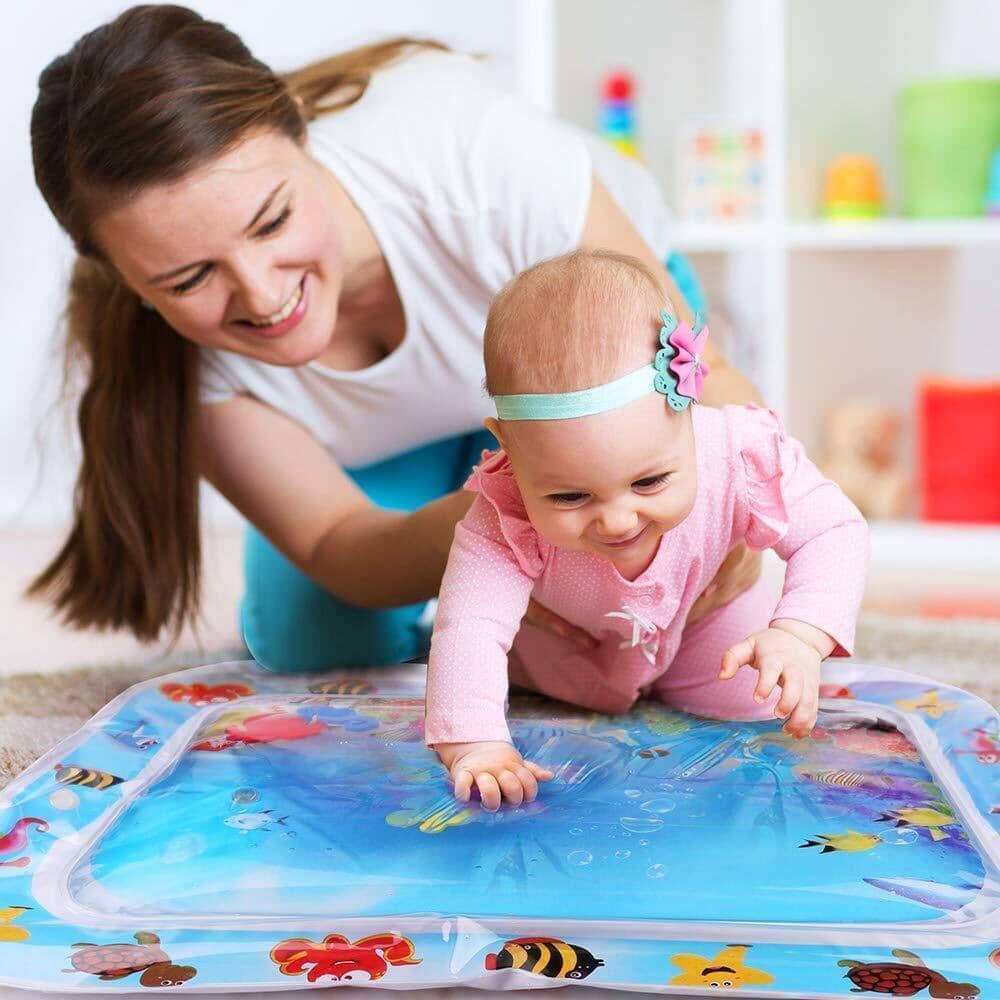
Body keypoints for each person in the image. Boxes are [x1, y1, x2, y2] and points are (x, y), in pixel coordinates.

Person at [29, 4, 762, 673]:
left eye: (272, 221)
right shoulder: (178, 362)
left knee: (684, 633)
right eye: (190, 278)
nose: (261, 293)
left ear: (301, 129)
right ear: (124, 277)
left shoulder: (472, 155)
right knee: (317, 648)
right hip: (405, 449)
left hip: (594, 359)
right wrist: (483, 539)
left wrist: (731, 517)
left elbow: (715, 379)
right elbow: (336, 541)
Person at [424, 250, 868, 812]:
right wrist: (476, 743)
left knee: (767, 713)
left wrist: (800, 633)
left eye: (650, 481)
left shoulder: (738, 452)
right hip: (569, 646)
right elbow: (470, 622)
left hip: (709, 622)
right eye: (569, 496)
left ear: (690, 412)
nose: (617, 520)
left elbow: (833, 528)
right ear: (509, 447)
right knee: (522, 692)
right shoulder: (506, 509)